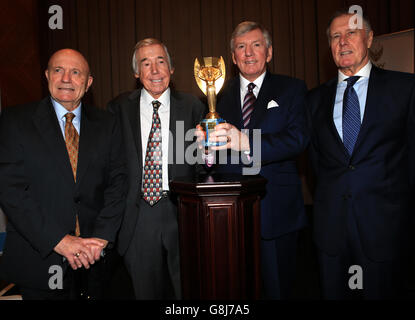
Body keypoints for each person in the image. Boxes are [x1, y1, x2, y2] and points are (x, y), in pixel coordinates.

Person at [0, 49, 127, 300]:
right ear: (47, 76)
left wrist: (100, 238)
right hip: (41, 260)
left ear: (88, 83)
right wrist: (59, 240)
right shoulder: (15, 121)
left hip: (96, 261)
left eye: (76, 72)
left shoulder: (108, 124)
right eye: (58, 70)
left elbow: (118, 183)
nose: (66, 78)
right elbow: (10, 190)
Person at [307, 10, 415, 299]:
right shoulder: (314, 100)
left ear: (368, 38)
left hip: (386, 231)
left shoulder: (406, 89)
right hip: (332, 232)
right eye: (335, 36)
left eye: (351, 33)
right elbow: (317, 164)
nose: (343, 41)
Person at [202, 21, 309, 299]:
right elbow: (211, 161)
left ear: (269, 52)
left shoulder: (292, 89)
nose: (249, 53)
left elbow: (298, 140)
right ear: (233, 57)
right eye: (241, 47)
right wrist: (205, 151)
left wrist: (247, 142)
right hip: (228, 218)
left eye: (256, 45)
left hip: (277, 214)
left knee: (278, 291)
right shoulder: (216, 98)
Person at [107, 38, 206, 300]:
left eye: (161, 61)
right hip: (137, 215)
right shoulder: (118, 108)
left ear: (172, 69)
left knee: (189, 291)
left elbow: (203, 163)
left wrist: (207, 152)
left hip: (181, 211)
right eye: (146, 63)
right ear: (136, 73)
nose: (154, 70)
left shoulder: (193, 106)